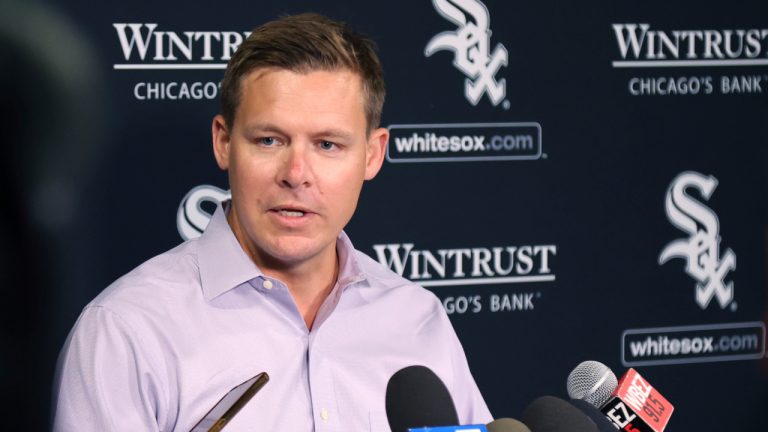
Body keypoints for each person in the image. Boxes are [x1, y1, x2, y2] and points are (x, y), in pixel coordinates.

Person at [53, 13, 492, 431]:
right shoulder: (125, 332)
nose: (296, 173)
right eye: (269, 140)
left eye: (327, 145)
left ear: (373, 155)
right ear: (224, 143)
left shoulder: (417, 319)